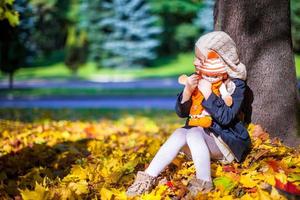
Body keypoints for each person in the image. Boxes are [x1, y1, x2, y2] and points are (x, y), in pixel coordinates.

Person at [126, 31, 252, 198]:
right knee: (180, 132)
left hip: (225, 143)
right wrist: (187, 92)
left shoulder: (235, 85)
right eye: (196, 58)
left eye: (201, 59)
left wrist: (209, 95)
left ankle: (204, 183)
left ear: (220, 59)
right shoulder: (199, 78)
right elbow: (181, 113)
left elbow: (227, 118)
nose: (196, 63)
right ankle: (147, 177)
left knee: (192, 132)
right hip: (200, 141)